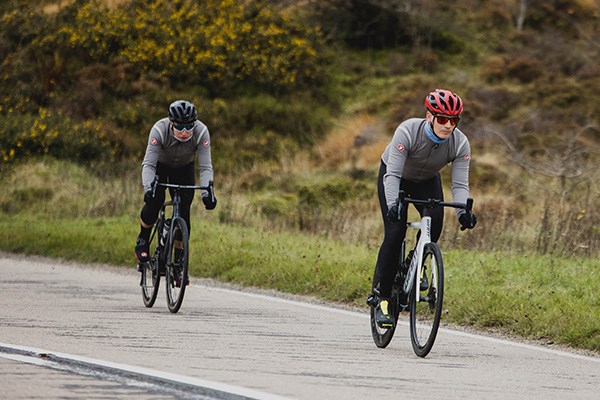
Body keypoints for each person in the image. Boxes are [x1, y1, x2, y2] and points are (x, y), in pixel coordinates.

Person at [369, 89, 477, 328]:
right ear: (429, 116)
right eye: (442, 119)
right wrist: (393, 205)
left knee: (435, 224)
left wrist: (463, 213)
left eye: (454, 120)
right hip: (395, 179)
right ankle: (383, 298)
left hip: (427, 181)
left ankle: (413, 264)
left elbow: (459, 185)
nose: (448, 125)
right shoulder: (407, 131)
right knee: (395, 232)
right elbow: (393, 174)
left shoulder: (460, 143)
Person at [134, 99, 217, 271]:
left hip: (184, 168)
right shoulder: (159, 130)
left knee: (184, 209)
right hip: (160, 166)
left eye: (188, 127)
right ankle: (143, 238)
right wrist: (148, 188)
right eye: (179, 127)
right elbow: (148, 164)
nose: (185, 132)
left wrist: (207, 194)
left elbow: (205, 166)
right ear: (171, 123)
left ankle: (179, 260)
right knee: (155, 201)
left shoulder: (201, 133)